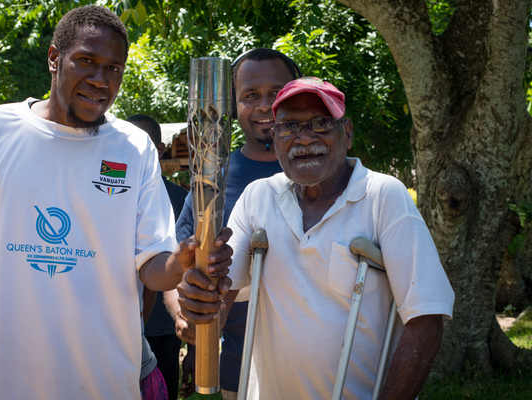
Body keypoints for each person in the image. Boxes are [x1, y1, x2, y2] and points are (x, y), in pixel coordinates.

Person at [0, 6, 231, 400]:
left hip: (104, 384)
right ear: (54, 59)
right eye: (86, 61)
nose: (100, 80)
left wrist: (182, 260)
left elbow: (154, 269)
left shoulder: (133, 146)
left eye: (114, 68)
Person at [176, 77, 455, 400]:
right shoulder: (259, 197)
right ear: (276, 138)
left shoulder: (382, 195)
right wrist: (199, 305)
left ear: (346, 133)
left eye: (321, 124)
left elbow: (426, 318)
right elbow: (220, 298)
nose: (304, 138)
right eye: (289, 127)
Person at [171, 48, 301, 399]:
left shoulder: (323, 173)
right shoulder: (212, 180)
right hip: (237, 373)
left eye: (276, 93)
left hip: (324, 370)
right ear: (233, 106)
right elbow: (184, 267)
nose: (264, 105)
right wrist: (189, 319)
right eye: (250, 96)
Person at [127, 114, 188, 400]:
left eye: (146, 145)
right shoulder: (108, 190)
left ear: (160, 149)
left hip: (163, 324)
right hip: (120, 321)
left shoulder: (180, 198)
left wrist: (196, 350)